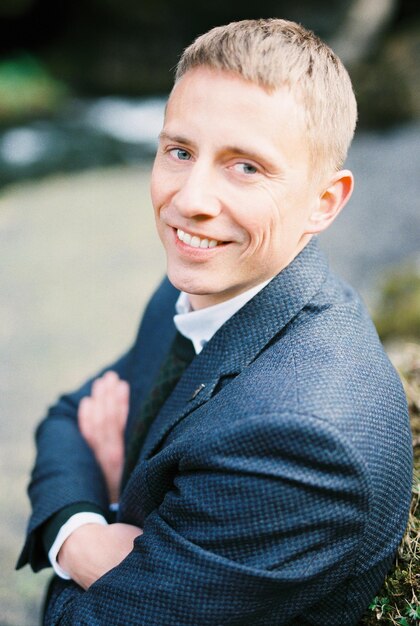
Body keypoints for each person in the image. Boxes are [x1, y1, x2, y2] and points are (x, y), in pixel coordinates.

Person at [17, 18, 413, 626]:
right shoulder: (200, 284)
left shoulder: (305, 440)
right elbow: (70, 415)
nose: (190, 199)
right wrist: (83, 534)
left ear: (324, 202)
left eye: (246, 166)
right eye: (179, 151)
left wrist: (106, 498)